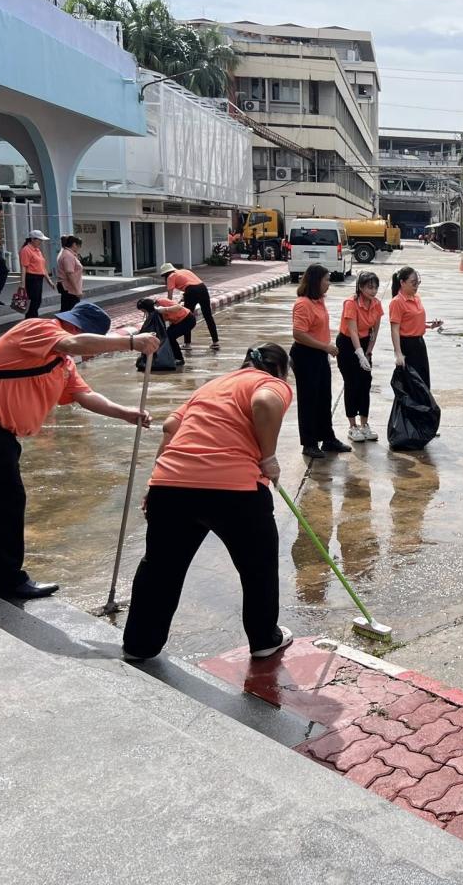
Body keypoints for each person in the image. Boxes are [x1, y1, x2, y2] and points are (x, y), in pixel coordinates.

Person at [0, 302, 159, 599]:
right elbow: (73, 342)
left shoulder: (62, 363)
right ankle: (9, 580)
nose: (89, 350)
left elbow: (85, 396)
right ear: (79, 327)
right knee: (9, 499)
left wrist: (127, 414)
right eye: (93, 339)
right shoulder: (40, 328)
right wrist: (131, 342)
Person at [121, 343, 295, 662]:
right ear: (282, 370)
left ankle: (138, 645)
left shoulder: (211, 386)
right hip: (234, 488)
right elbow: (265, 403)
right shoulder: (269, 383)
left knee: (160, 569)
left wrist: (155, 484)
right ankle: (264, 639)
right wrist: (268, 456)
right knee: (258, 566)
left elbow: (171, 428)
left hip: (170, 485)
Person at [289, 264, 350, 460]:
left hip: (319, 355)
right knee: (309, 401)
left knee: (324, 397)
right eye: (326, 279)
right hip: (306, 356)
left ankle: (328, 438)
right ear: (316, 281)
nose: (329, 283)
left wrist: (325, 346)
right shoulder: (303, 304)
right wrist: (325, 347)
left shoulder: (318, 301)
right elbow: (298, 334)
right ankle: (309, 442)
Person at [337, 270, 383, 442]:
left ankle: (365, 424)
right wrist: (359, 354)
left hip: (365, 344)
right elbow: (353, 331)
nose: (373, 291)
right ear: (361, 287)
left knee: (365, 383)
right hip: (348, 344)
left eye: (376, 287)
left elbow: (375, 331)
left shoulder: (376, 304)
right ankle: (352, 426)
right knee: (352, 383)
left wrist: (369, 352)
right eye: (370, 287)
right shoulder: (351, 303)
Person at [390, 266, 442, 387]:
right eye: (413, 283)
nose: (416, 286)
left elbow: (412, 322)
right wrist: (398, 354)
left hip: (419, 345)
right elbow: (395, 329)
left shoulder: (416, 298)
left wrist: (430, 326)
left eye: (417, 283)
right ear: (402, 283)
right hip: (407, 346)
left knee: (423, 383)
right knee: (411, 386)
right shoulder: (397, 302)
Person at [160, 262, 219, 349]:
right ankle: (215, 342)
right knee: (208, 316)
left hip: (191, 291)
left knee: (186, 317)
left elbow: (169, 298)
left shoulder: (170, 276)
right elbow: (192, 283)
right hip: (203, 288)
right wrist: (185, 296)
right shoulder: (184, 271)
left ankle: (187, 344)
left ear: (165, 274)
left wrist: (168, 309)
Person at [137, 297, 195, 365]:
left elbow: (179, 307)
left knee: (170, 337)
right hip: (177, 322)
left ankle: (179, 359)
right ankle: (171, 357)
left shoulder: (161, 301)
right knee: (166, 337)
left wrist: (165, 309)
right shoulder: (154, 313)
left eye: (143, 310)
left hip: (187, 319)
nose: (144, 312)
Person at [19, 230, 56, 319]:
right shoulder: (26, 250)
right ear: (32, 239)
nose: (41, 242)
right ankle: (30, 321)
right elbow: (24, 267)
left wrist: (49, 281)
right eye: (39, 240)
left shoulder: (38, 250)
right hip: (31, 278)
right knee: (33, 302)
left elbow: (42, 267)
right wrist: (23, 284)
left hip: (39, 278)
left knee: (37, 301)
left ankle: (33, 320)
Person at [56, 235, 84, 313]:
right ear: (74, 244)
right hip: (69, 288)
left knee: (68, 309)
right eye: (79, 246)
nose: (79, 248)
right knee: (69, 310)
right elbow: (69, 273)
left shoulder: (68, 254)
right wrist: (77, 290)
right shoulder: (68, 255)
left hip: (69, 287)